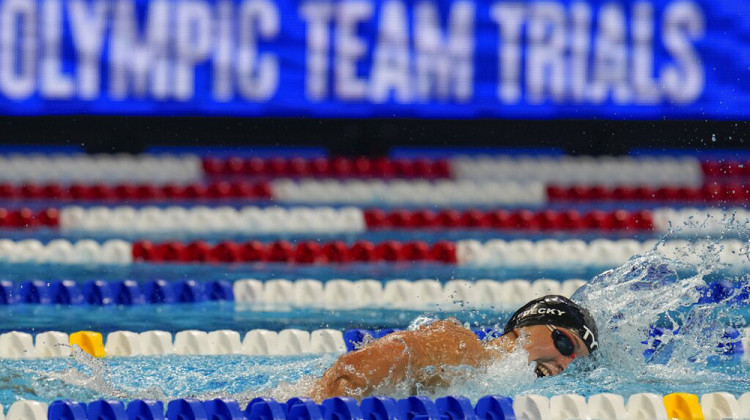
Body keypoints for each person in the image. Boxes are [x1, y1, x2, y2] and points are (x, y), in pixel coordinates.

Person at [310, 295, 599, 401]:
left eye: (574, 360)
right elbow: (353, 371)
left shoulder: (496, 384)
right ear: (527, 326)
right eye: (565, 343)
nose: (564, 363)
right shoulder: (462, 348)